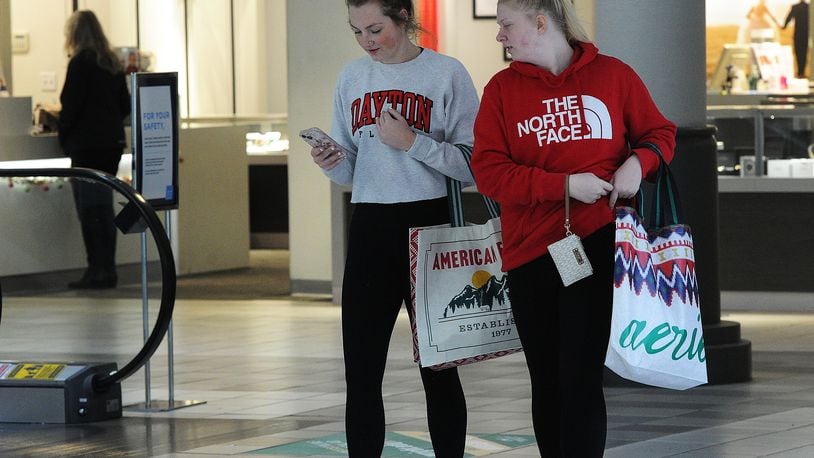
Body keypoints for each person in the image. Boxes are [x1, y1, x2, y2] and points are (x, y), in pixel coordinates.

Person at [470, 0, 676, 456]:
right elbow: (488, 171)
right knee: (546, 379)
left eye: (507, 25)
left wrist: (637, 166)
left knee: (581, 377)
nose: (499, 35)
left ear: (540, 23)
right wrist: (562, 185)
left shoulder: (613, 75)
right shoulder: (501, 90)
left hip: (597, 244)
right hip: (528, 252)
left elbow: (660, 134)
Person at [308, 0, 479, 455]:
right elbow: (351, 170)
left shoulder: (447, 74)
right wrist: (331, 163)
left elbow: (476, 165)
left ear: (404, 17)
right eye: (357, 31)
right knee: (361, 373)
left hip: (432, 225)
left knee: (439, 368)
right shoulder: (352, 77)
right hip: (369, 224)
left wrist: (414, 143)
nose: (367, 41)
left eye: (376, 28)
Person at [59, 10, 130, 289]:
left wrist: (64, 137)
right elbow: (124, 104)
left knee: (89, 209)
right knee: (102, 205)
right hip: (111, 145)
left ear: (74, 34)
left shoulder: (80, 63)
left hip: (86, 146)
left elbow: (71, 105)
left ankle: (96, 270)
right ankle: (107, 269)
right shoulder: (111, 62)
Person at [782, 0, 809, 78]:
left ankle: (800, 72)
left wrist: (784, 27)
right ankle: (802, 72)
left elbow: (788, 18)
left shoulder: (795, 7)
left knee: (798, 53)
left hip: (798, 34)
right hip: (806, 34)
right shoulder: (808, 7)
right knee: (804, 53)